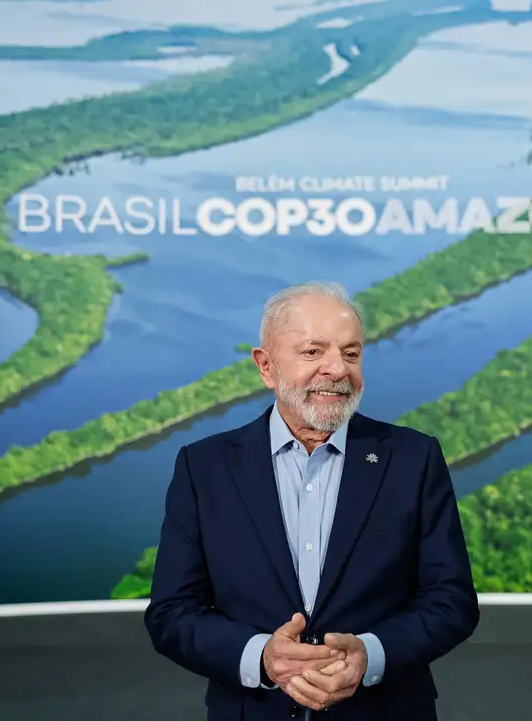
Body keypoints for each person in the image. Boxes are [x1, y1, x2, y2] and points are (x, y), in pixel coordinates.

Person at [144, 281, 480, 720]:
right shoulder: (204, 467)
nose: (337, 369)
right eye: (312, 352)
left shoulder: (413, 458)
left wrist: (371, 655)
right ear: (266, 367)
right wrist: (260, 656)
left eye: (352, 353)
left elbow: (451, 600)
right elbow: (171, 613)